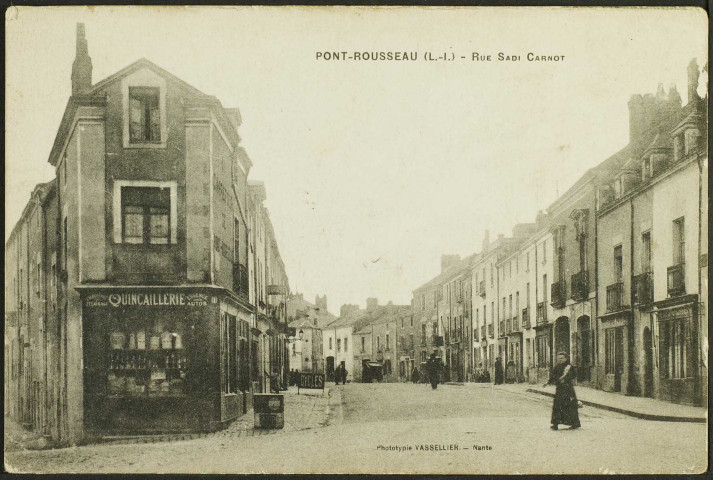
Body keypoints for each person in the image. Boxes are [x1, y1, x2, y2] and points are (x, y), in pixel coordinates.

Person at [544, 351, 581, 430]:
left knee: (570, 406)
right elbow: (553, 376)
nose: (560, 360)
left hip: (568, 389)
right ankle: (555, 424)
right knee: (557, 406)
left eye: (562, 358)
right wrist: (548, 382)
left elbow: (573, 376)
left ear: (566, 358)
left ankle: (575, 423)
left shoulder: (569, 367)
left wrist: (566, 378)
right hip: (559, 389)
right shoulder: (557, 367)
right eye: (558, 358)